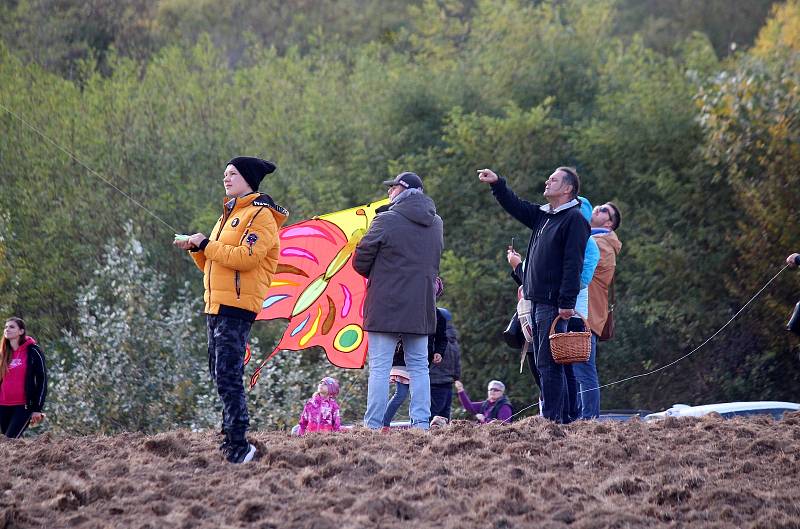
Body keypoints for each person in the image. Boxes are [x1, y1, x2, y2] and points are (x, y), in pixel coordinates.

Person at [174, 156, 288, 463]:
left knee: (228, 374)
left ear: (248, 178)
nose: (226, 179)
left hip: (237, 306)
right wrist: (198, 249)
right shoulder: (226, 216)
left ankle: (240, 444)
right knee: (219, 373)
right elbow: (213, 262)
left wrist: (206, 245)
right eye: (225, 174)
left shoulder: (260, 217)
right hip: (215, 304)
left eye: (232, 174)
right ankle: (232, 439)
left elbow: (246, 258)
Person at [479, 167, 589, 423]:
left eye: (554, 179)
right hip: (536, 301)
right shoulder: (544, 215)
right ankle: (557, 418)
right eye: (548, 177)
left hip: (553, 303)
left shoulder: (574, 220)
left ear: (568, 189)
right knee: (544, 364)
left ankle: (553, 421)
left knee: (550, 365)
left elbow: (574, 264)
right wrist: (497, 184)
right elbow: (516, 206)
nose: (547, 181)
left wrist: (566, 302)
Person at [354, 171, 444, 430]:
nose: (388, 192)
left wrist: (379, 275)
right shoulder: (437, 223)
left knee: (380, 368)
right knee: (419, 368)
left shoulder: (386, 219)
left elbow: (361, 258)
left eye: (392, 187)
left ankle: (372, 425)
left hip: (386, 305)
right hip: (421, 306)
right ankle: (421, 424)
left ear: (403, 190)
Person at [382, 279, 448, 427]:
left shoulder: (439, 317)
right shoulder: (409, 311)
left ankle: (416, 424)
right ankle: (384, 423)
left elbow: (442, 339)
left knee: (417, 394)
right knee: (401, 394)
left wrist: (439, 352)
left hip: (423, 360)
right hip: (402, 357)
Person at [0, 317, 47, 438]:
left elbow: (42, 380)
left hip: (23, 406)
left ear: (21, 331)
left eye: (11, 327)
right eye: (6, 327)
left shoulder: (33, 351)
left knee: (10, 440)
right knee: (6, 444)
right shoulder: (3, 353)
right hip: (2, 405)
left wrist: (37, 408)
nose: (7, 329)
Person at [429, 307, 461, 421]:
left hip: (435, 382)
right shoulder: (453, 340)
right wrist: (456, 377)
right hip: (448, 383)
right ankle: (443, 438)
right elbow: (457, 362)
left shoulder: (436, 339)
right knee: (444, 416)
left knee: (432, 416)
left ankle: (427, 437)